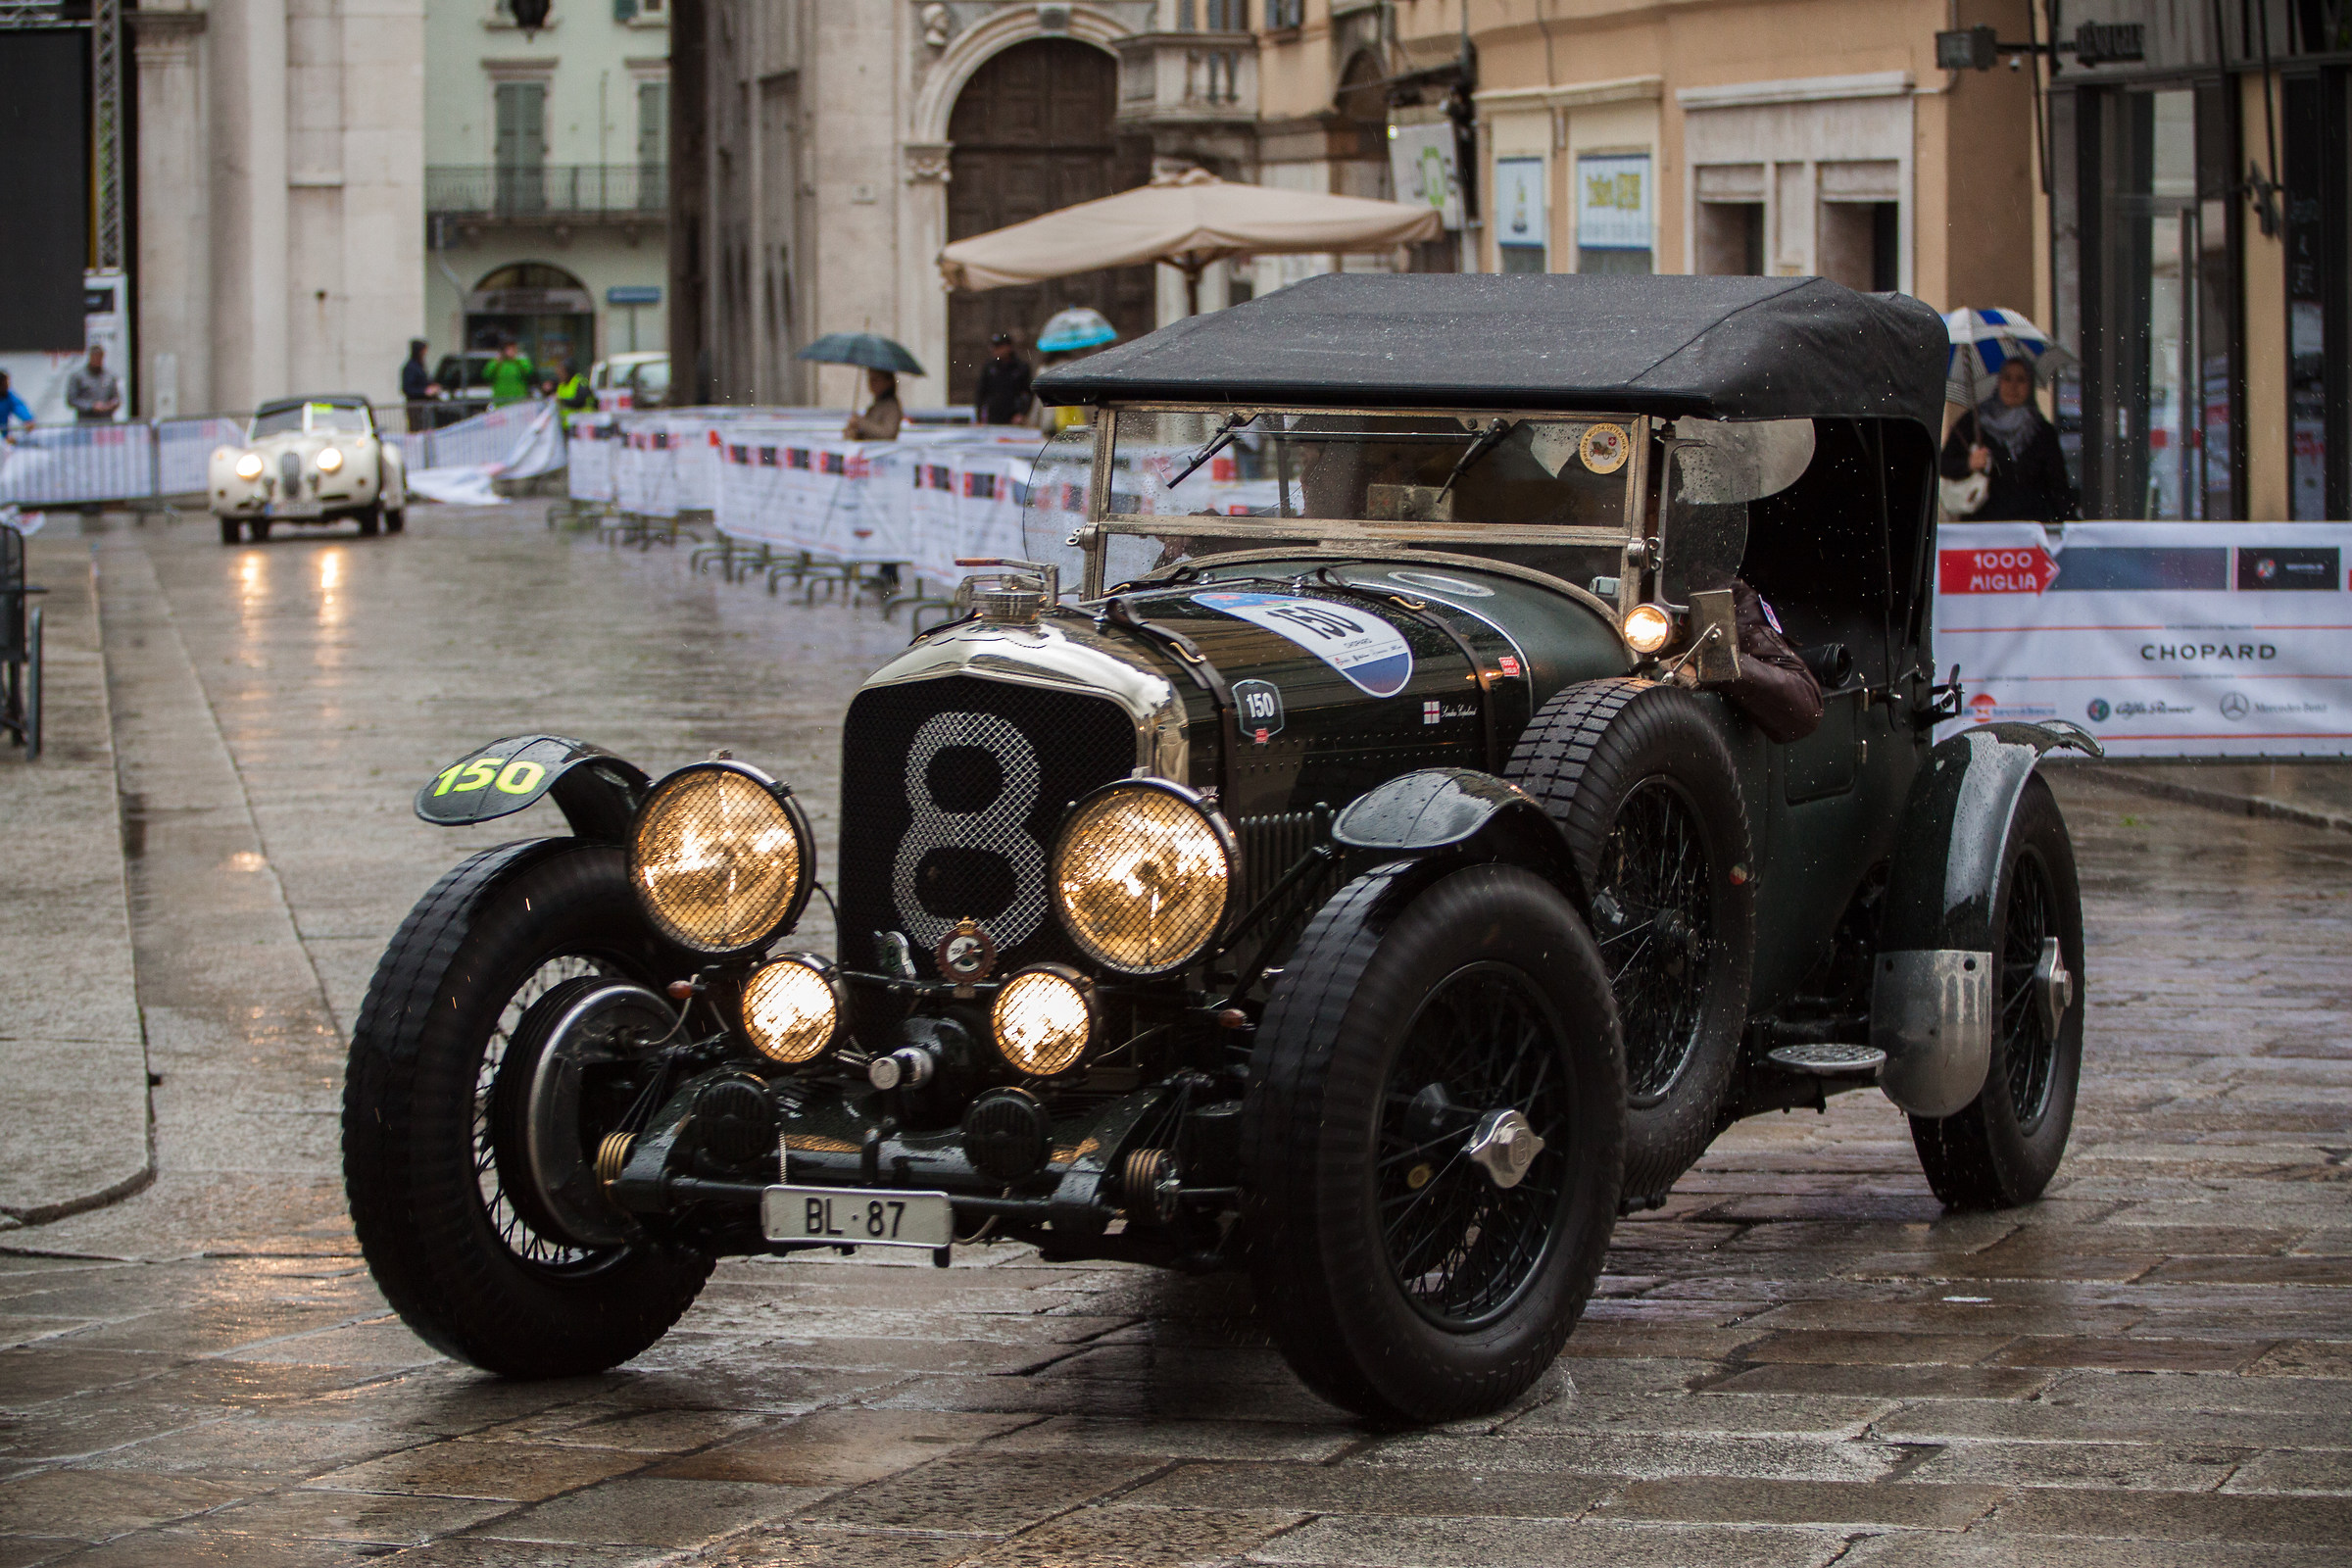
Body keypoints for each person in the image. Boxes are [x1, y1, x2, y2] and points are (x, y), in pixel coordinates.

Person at [1939, 358, 2077, 522]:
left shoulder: (2042, 431)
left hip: (2030, 530)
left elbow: (2058, 486)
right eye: (2007, 378)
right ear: (1998, 382)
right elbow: (1943, 465)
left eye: (2021, 379)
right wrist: (1968, 464)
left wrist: (2070, 524)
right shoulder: (1973, 423)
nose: (2013, 386)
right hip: (1983, 531)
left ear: (2030, 385)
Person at [972, 333, 1034, 426]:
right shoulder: (990, 368)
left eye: (999, 347)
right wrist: (979, 417)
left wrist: (1022, 413)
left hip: (1013, 416)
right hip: (994, 416)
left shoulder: (1021, 368)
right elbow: (981, 393)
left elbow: (1029, 393)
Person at [842, 368, 903, 441]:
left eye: (875, 380)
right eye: (870, 379)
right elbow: (869, 433)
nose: (871, 383)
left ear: (888, 382)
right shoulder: (876, 405)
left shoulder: (892, 406)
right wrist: (855, 433)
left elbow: (888, 433)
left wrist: (860, 422)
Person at [66, 346, 121, 423]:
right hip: (87, 423)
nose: (98, 360)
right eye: (95, 357)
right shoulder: (77, 376)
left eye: (100, 357)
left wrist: (112, 404)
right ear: (90, 357)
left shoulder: (110, 376)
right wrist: (91, 406)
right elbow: (71, 400)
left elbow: (116, 398)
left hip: (106, 422)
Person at [400, 339, 441, 432]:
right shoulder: (410, 368)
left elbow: (425, 380)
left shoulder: (420, 366)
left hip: (425, 406)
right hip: (416, 406)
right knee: (417, 430)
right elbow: (407, 388)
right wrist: (424, 391)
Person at [487, 338, 535, 408]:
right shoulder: (497, 362)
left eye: (512, 349)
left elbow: (529, 372)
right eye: (508, 349)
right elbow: (487, 374)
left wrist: (517, 360)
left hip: (518, 401)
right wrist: (496, 362)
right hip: (501, 401)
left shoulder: (521, 360)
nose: (510, 351)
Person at [0, 370, 33, 440]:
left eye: (7, 383)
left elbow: (18, 406)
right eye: (4, 384)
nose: (7, 386)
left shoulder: (8, 396)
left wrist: (28, 419)